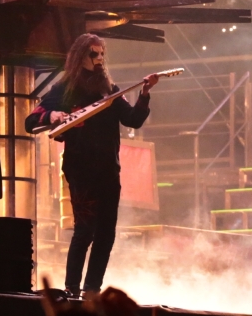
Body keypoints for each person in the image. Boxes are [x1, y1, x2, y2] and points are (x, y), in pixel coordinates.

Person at [27, 33, 162, 296]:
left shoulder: (109, 90)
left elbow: (132, 119)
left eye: (102, 54)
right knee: (85, 230)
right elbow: (31, 120)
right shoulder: (64, 89)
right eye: (93, 54)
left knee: (106, 233)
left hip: (108, 170)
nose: (99, 59)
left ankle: (92, 289)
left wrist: (145, 94)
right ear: (81, 56)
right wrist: (52, 115)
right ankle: (72, 287)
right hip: (80, 169)